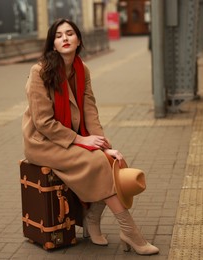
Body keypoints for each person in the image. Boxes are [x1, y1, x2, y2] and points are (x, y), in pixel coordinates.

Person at [22, 18, 159, 255]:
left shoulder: (80, 69)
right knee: (97, 163)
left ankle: (92, 219)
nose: (64, 38)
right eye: (58, 35)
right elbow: (43, 123)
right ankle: (130, 231)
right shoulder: (39, 72)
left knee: (108, 159)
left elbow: (89, 111)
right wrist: (82, 141)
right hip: (43, 142)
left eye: (69, 34)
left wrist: (104, 146)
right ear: (53, 44)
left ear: (78, 40)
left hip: (70, 137)